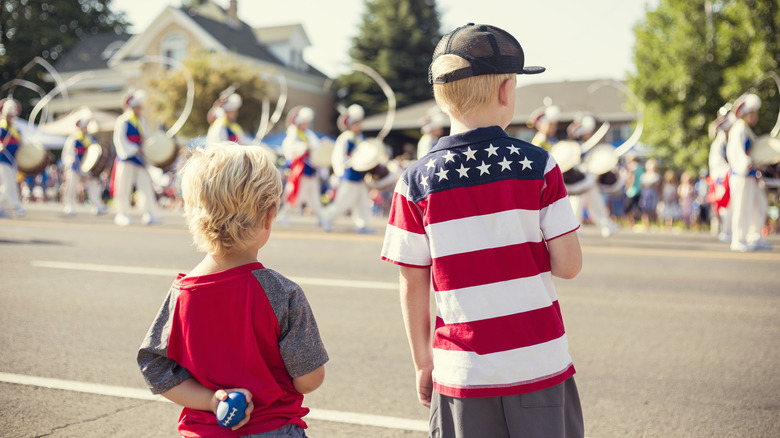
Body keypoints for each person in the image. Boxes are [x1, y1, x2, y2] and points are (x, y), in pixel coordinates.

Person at [381, 23, 584, 438]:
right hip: (538, 361)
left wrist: (423, 360)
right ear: (507, 91)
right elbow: (569, 265)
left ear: (441, 97)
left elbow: (412, 283)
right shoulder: (538, 165)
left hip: (462, 372)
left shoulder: (415, 182)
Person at [137, 142, 328, 437]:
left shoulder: (182, 293)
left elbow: (155, 367)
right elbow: (309, 379)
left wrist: (211, 400)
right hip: (273, 428)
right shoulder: (283, 293)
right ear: (269, 214)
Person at [726, 93, 772, 251]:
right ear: (745, 113)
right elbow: (735, 152)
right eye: (753, 113)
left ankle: (754, 236)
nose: (756, 116)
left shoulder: (748, 130)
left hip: (751, 176)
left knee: (760, 205)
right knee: (741, 207)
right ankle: (738, 240)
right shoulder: (739, 128)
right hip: (741, 176)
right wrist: (747, 163)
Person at [320, 104, 374, 233]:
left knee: (362, 202)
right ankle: (326, 217)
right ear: (350, 124)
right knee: (343, 202)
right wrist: (341, 170)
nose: (359, 126)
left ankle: (362, 224)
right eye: (356, 123)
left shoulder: (362, 138)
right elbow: (338, 156)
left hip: (360, 176)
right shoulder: (345, 138)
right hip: (349, 175)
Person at [112, 89, 162, 226]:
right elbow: (119, 140)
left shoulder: (141, 122)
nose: (140, 109)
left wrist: (147, 148)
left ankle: (149, 213)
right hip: (127, 158)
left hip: (140, 159)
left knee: (146, 186)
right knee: (124, 187)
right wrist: (134, 148)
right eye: (138, 107)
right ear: (132, 107)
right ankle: (122, 214)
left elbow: (145, 138)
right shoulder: (123, 121)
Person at [566, 114, 620, 237]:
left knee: (596, 202)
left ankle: (605, 225)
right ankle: (575, 228)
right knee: (577, 202)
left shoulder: (588, 145)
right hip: (578, 179)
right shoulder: (575, 146)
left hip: (589, 178)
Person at [278, 106, 323, 223]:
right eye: (303, 122)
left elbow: (317, 149)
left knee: (314, 198)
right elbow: (289, 150)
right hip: (299, 170)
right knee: (294, 194)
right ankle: (283, 215)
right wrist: (304, 148)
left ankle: (322, 218)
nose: (305, 125)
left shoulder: (309, 134)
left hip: (311, 170)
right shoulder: (293, 134)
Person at [61, 115, 107, 216]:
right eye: (84, 127)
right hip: (75, 168)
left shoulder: (90, 139)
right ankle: (70, 206)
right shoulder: (73, 139)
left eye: (86, 127)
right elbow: (67, 154)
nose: (85, 129)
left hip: (87, 169)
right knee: (71, 186)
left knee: (94, 185)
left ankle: (97, 205)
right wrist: (70, 161)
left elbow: (94, 153)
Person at [707, 110, 735, 241]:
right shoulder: (719, 144)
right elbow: (717, 163)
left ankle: (729, 230)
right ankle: (725, 231)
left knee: (731, 207)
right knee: (724, 207)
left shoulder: (730, 141)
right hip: (722, 179)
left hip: (731, 177)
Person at [0, 98, 26, 217]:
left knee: (7, 185)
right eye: (8, 115)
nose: (10, 118)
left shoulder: (15, 130)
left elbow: (21, 145)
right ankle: (17, 207)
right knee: (9, 184)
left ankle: (1, 207)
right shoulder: (1, 128)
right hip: (2, 160)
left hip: (12, 161)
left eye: (12, 116)